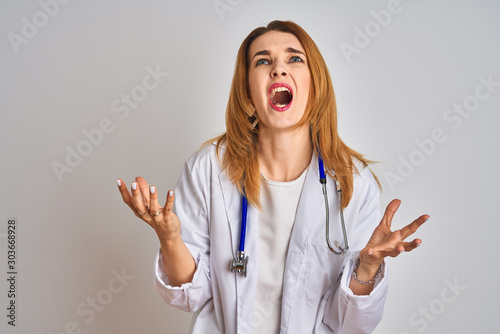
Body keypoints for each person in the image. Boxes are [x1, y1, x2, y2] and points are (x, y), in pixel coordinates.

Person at [116, 20, 428, 334]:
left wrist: (369, 267)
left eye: (294, 58)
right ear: (249, 94)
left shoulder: (353, 183)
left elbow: (349, 323)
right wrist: (169, 239)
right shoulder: (209, 167)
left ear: (314, 86)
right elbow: (190, 295)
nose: (278, 69)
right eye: (263, 61)